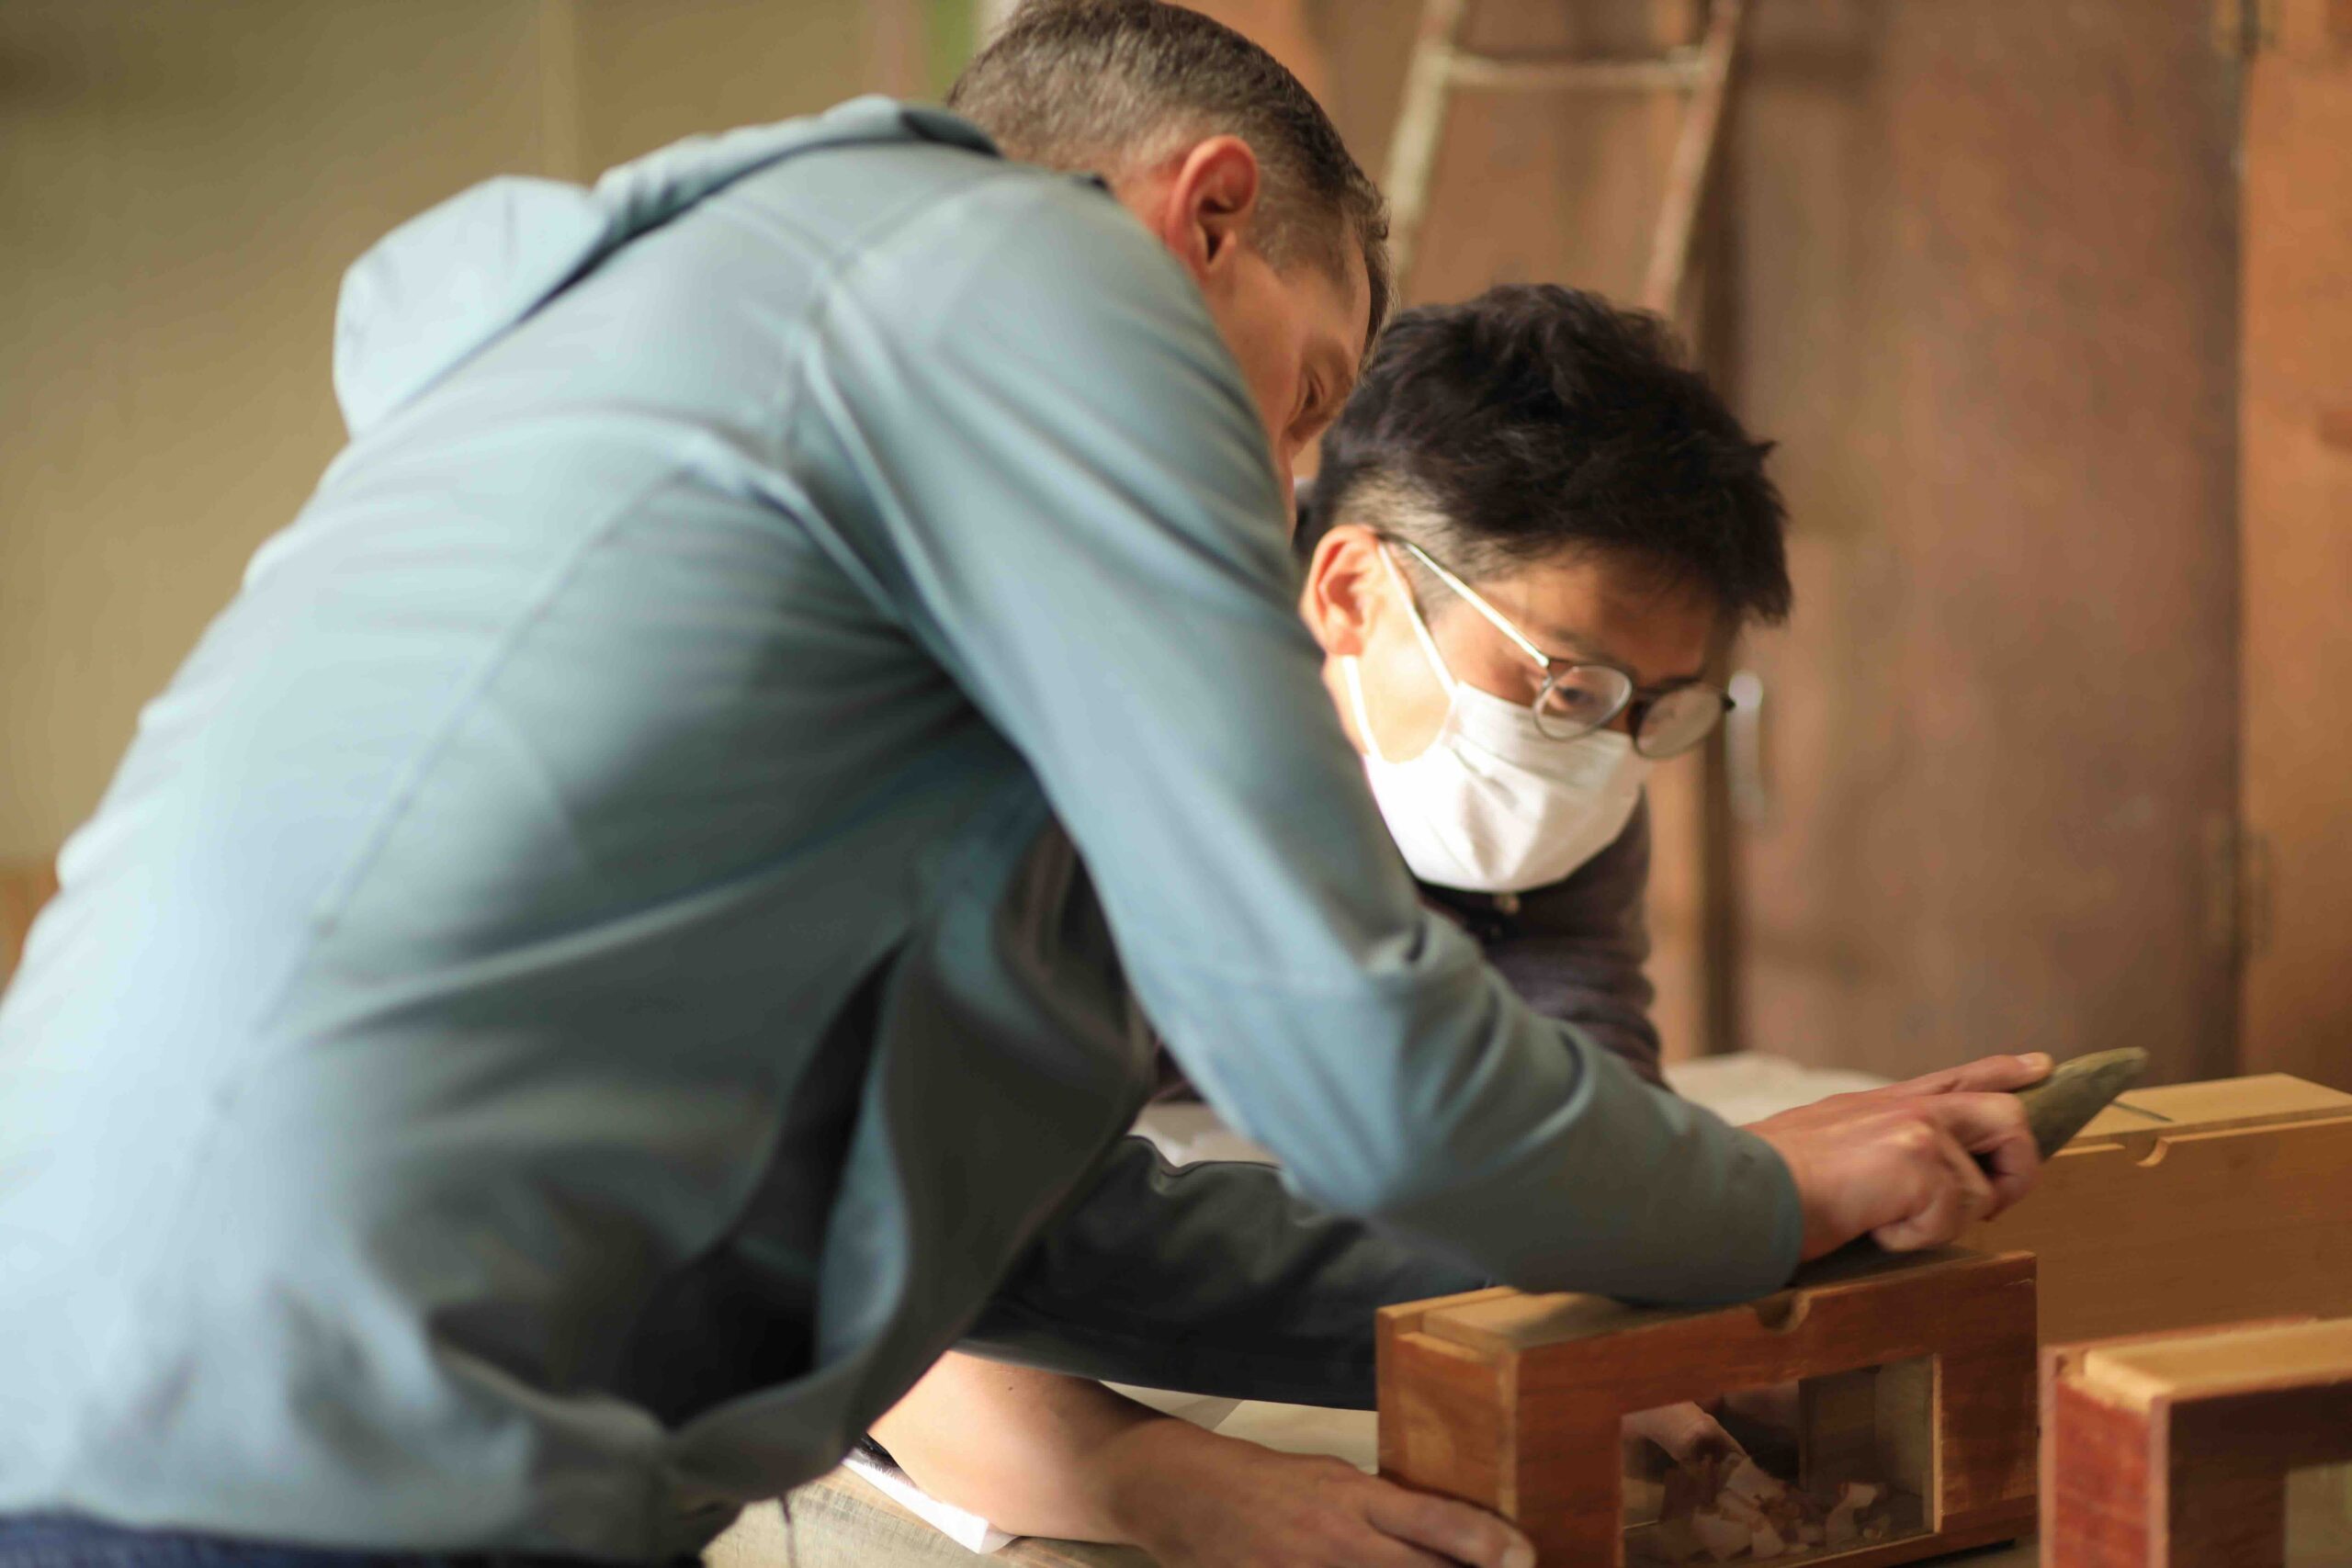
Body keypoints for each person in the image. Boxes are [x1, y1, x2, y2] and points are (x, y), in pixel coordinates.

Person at [0, 6, 2043, 1567]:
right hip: (286, 1429)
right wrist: (1756, 1194)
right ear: (1205, 212)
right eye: (1301, 397)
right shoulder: (1036, 276)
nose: (1267, 493)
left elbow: (1060, 1236)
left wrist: (1668, 1260)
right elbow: (1378, 1079)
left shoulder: (706, 408)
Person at [851, 286, 2020, 1568]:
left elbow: (1576, 1112)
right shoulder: (1069, 741)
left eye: (1660, 711)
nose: (1602, 749)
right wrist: (1172, 1481)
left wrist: (1656, 1323)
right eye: (1564, 685)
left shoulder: (1567, 773)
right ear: (1352, 593)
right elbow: (936, 1252)